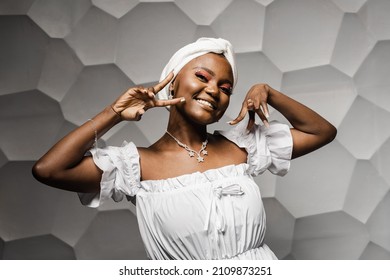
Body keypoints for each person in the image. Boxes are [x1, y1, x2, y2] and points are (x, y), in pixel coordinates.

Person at [32, 38, 337, 260]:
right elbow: (49, 169)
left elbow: (322, 132)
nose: (214, 90)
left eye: (226, 87)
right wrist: (114, 111)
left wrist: (270, 94)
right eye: (202, 77)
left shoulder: (242, 147)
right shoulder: (135, 164)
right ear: (173, 83)